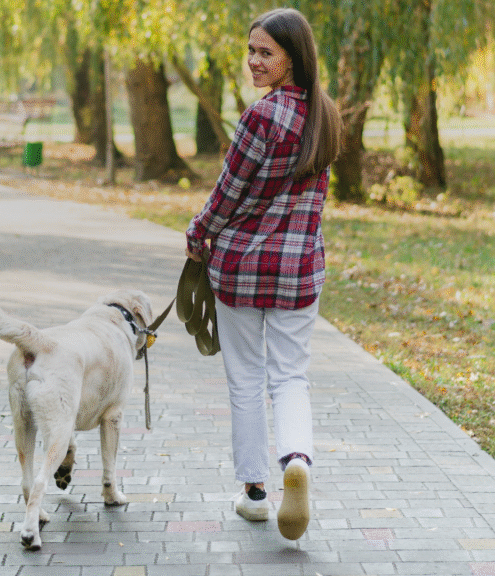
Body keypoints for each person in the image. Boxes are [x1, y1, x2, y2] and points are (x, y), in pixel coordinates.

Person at [184, 7, 341, 541]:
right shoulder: (326, 115)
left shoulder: (261, 117)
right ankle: (296, 458)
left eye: (265, 53)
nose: (253, 61)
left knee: (246, 379)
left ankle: (255, 493)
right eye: (250, 50)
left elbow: (227, 194)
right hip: (299, 270)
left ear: (292, 59)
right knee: (291, 376)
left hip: (243, 270)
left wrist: (198, 231)